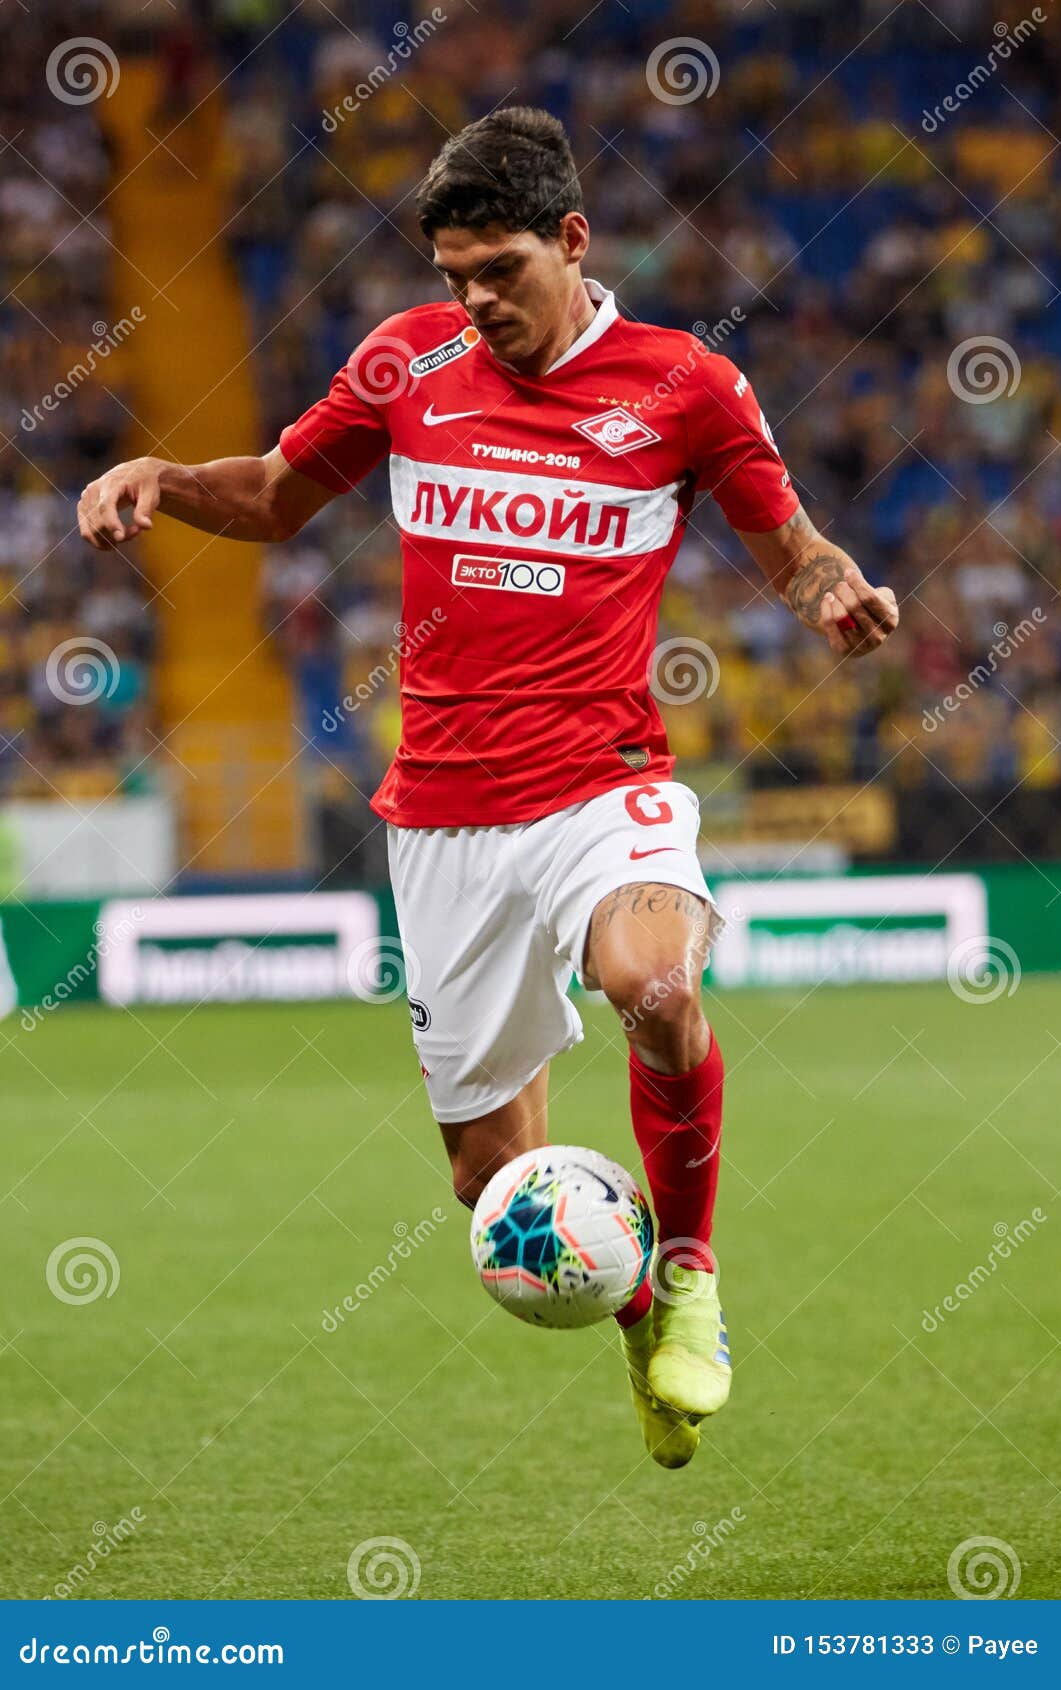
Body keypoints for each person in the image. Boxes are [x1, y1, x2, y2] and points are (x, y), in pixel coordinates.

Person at [77, 106, 899, 1469]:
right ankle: (633, 1298)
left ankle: (688, 1267)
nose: (475, 301)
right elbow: (280, 494)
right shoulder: (409, 364)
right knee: (487, 1187)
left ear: (574, 242)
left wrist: (834, 593)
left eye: (500, 270)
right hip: (443, 818)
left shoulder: (685, 385)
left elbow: (792, 544)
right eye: (455, 276)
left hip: (602, 784)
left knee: (656, 982)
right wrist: (166, 474)